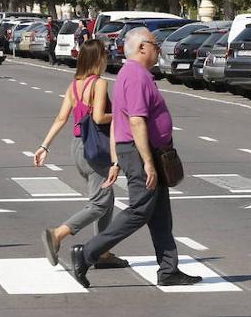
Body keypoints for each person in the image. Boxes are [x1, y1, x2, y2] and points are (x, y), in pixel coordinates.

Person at [68, 27, 201, 288]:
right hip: (141, 152)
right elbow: (136, 121)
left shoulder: (131, 74)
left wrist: (116, 160)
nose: (158, 48)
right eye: (155, 44)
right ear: (142, 47)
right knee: (139, 210)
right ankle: (87, 254)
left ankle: (168, 269)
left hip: (141, 151)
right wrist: (148, 162)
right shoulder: (136, 75)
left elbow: (118, 121)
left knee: (160, 214)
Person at [32, 39, 127, 270]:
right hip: (96, 147)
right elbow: (99, 118)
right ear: (98, 58)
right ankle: (57, 234)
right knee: (99, 203)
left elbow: (61, 118)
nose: (106, 59)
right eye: (104, 55)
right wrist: (122, 115)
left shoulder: (74, 85)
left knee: (106, 199)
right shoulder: (99, 83)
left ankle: (103, 252)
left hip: (78, 146)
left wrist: (44, 146)